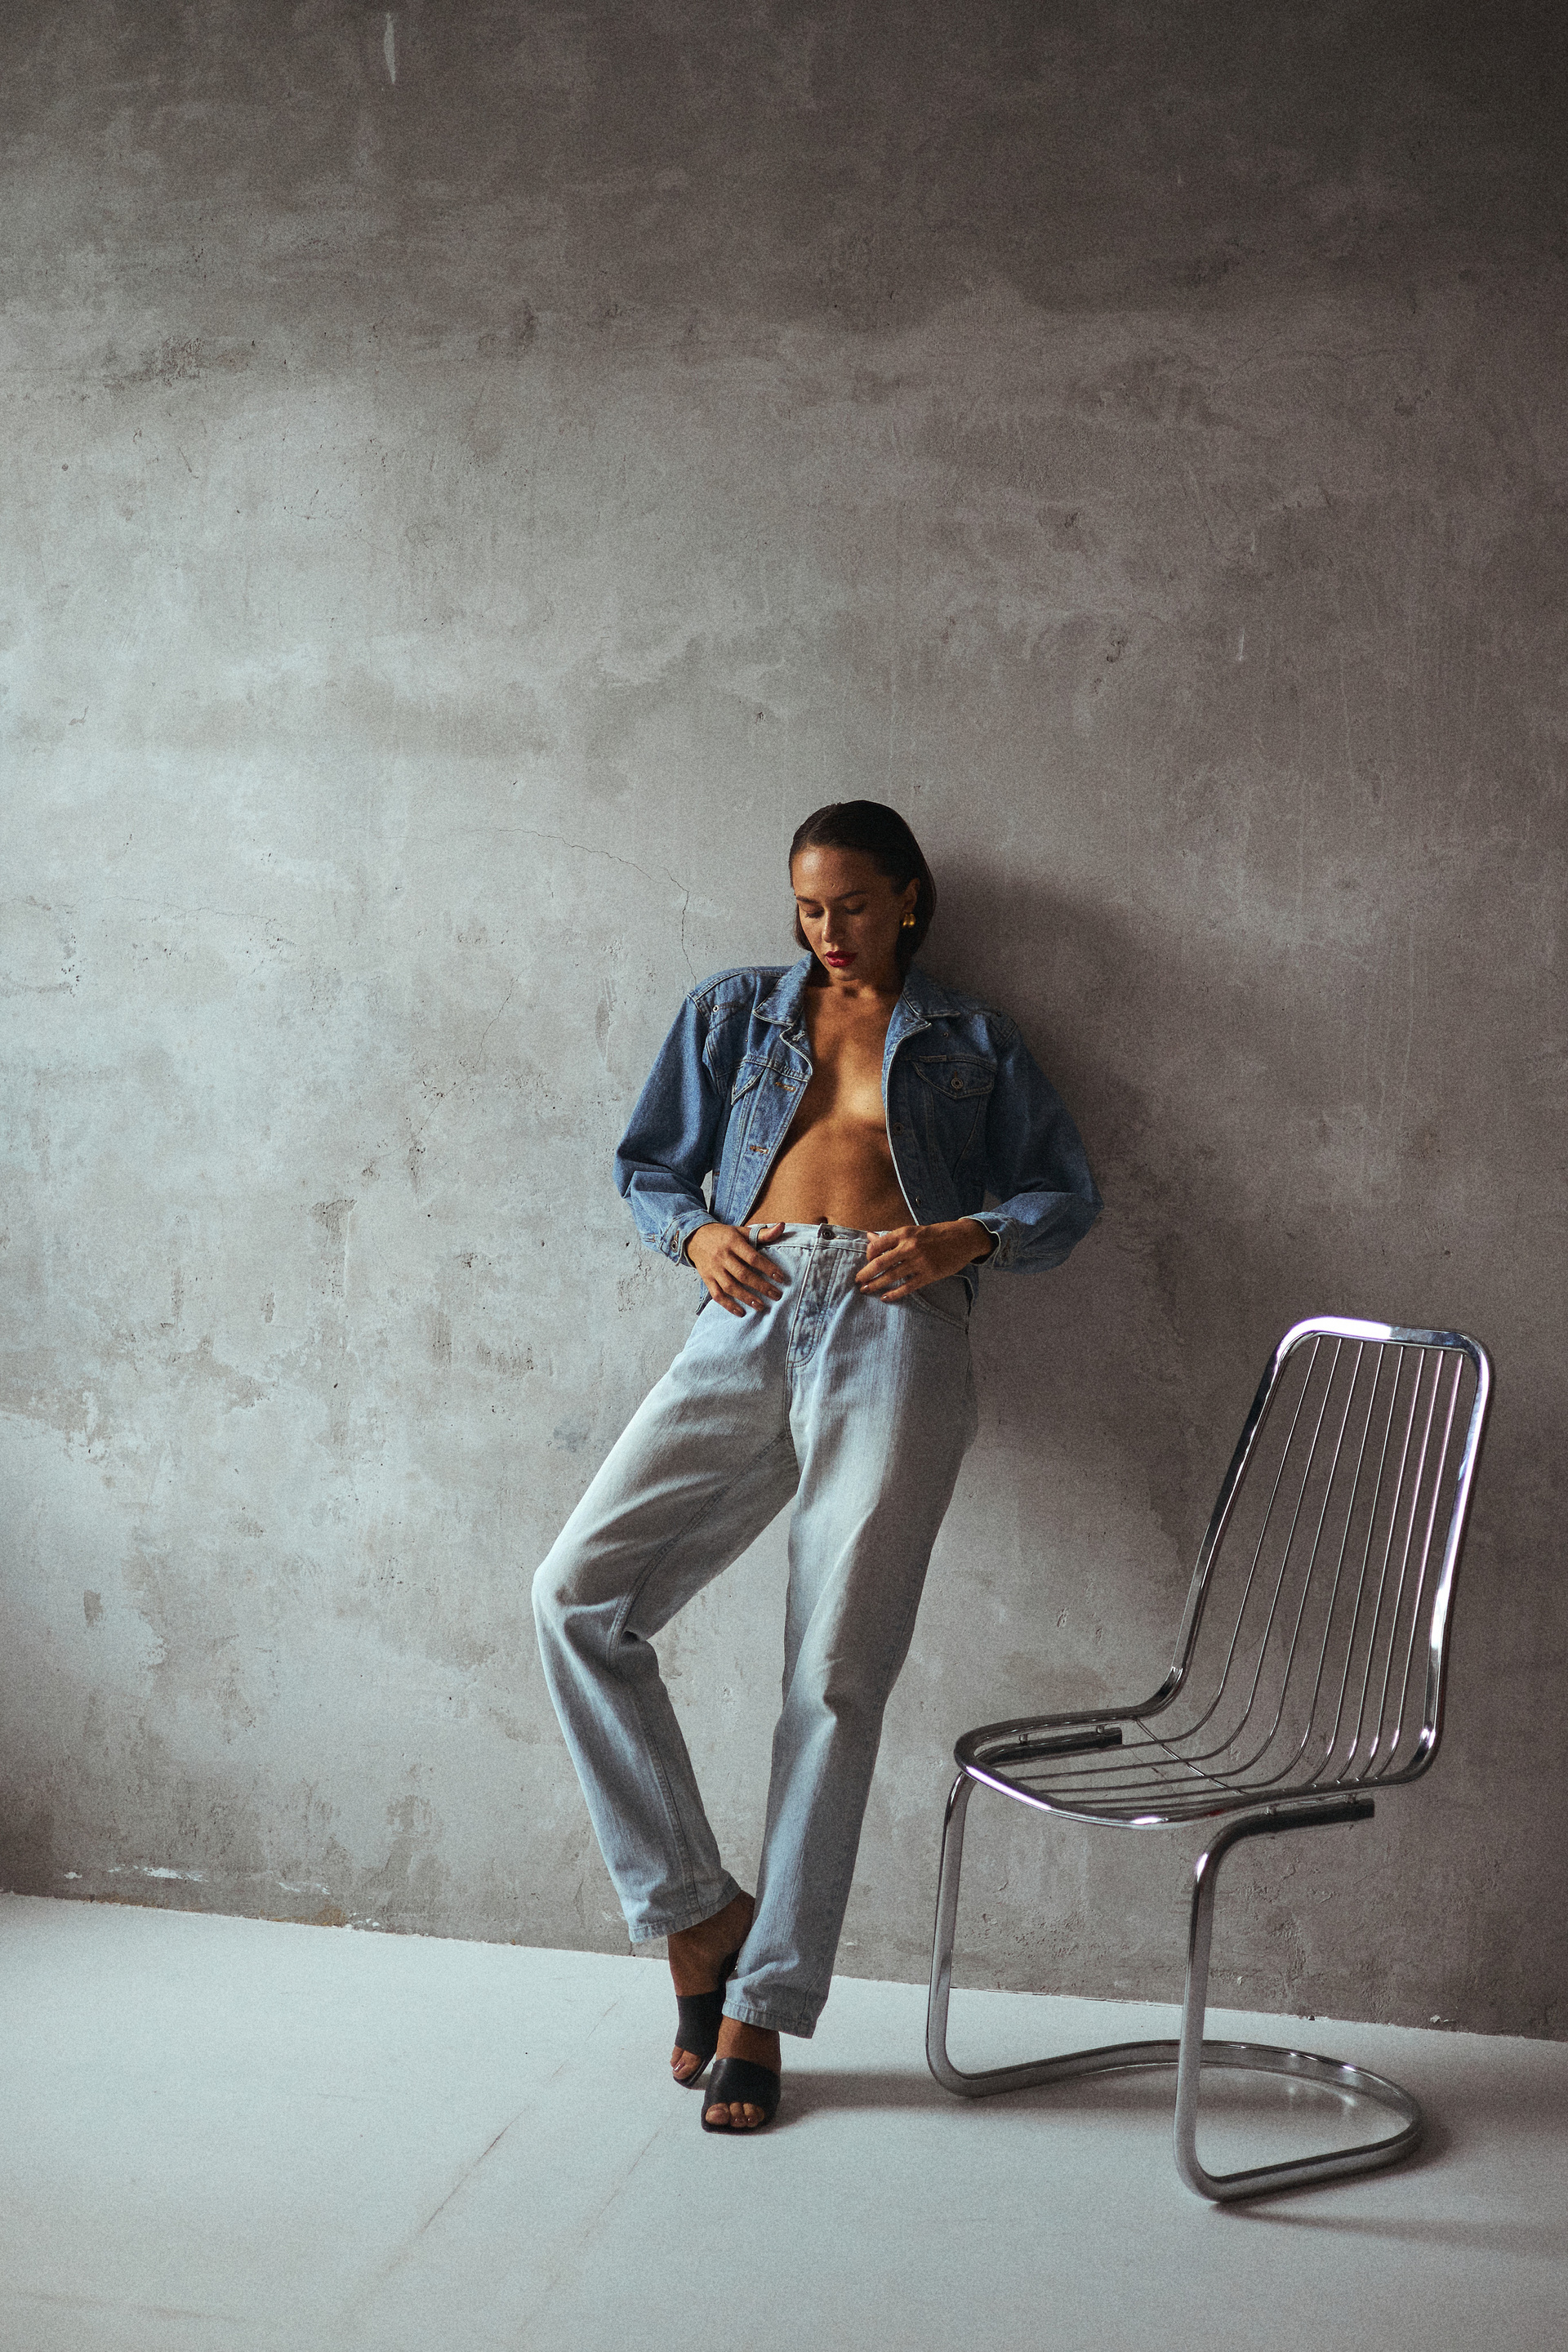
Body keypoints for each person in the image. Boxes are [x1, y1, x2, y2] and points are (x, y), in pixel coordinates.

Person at [532, 801, 1100, 2132]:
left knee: (835, 1672)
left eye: (849, 904)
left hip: (900, 1324)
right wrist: (695, 1237)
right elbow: (649, 1165)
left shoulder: (975, 1040)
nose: (826, 930)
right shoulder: (735, 1013)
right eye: (806, 906)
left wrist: (968, 1236)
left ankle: (765, 2003)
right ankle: (699, 1913)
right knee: (573, 1598)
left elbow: (1063, 1196)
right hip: (751, 1307)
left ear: (908, 898)